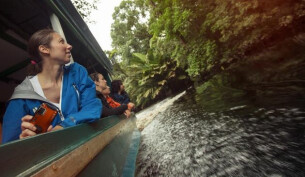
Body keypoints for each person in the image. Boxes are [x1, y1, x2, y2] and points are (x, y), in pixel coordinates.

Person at [1, 29, 102, 143]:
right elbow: (10, 147)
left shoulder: (77, 72)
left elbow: (93, 106)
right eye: (61, 42)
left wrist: (63, 126)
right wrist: (25, 142)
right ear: (44, 49)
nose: (69, 46)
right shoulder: (21, 97)